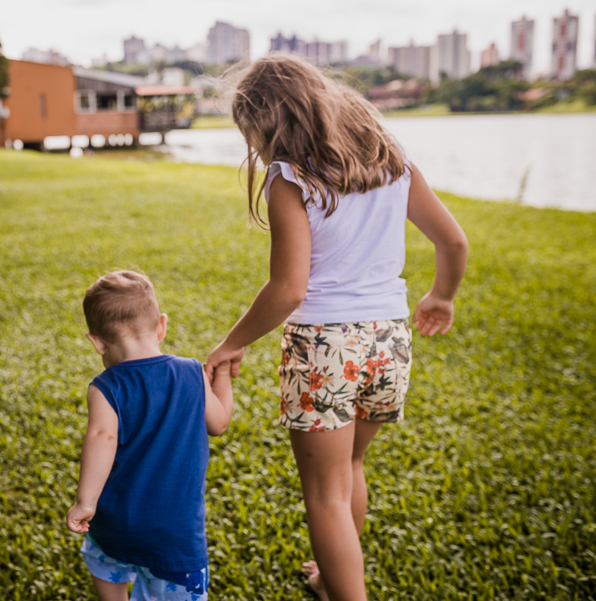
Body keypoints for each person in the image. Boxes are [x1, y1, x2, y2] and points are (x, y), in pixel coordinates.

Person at [204, 56, 468, 601]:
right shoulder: (392, 159)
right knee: (351, 465)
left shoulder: (290, 178)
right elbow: (454, 242)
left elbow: (288, 289)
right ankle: (331, 577)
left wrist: (230, 344)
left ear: (267, 124)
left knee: (324, 494)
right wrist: (441, 295)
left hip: (326, 345)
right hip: (389, 340)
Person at [67, 270, 234, 601]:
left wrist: (85, 502)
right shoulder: (191, 372)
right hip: (175, 538)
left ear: (96, 341)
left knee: (106, 570)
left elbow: (102, 437)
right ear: (161, 325)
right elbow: (219, 423)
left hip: (115, 526)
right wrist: (224, 374)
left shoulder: (105, 387)